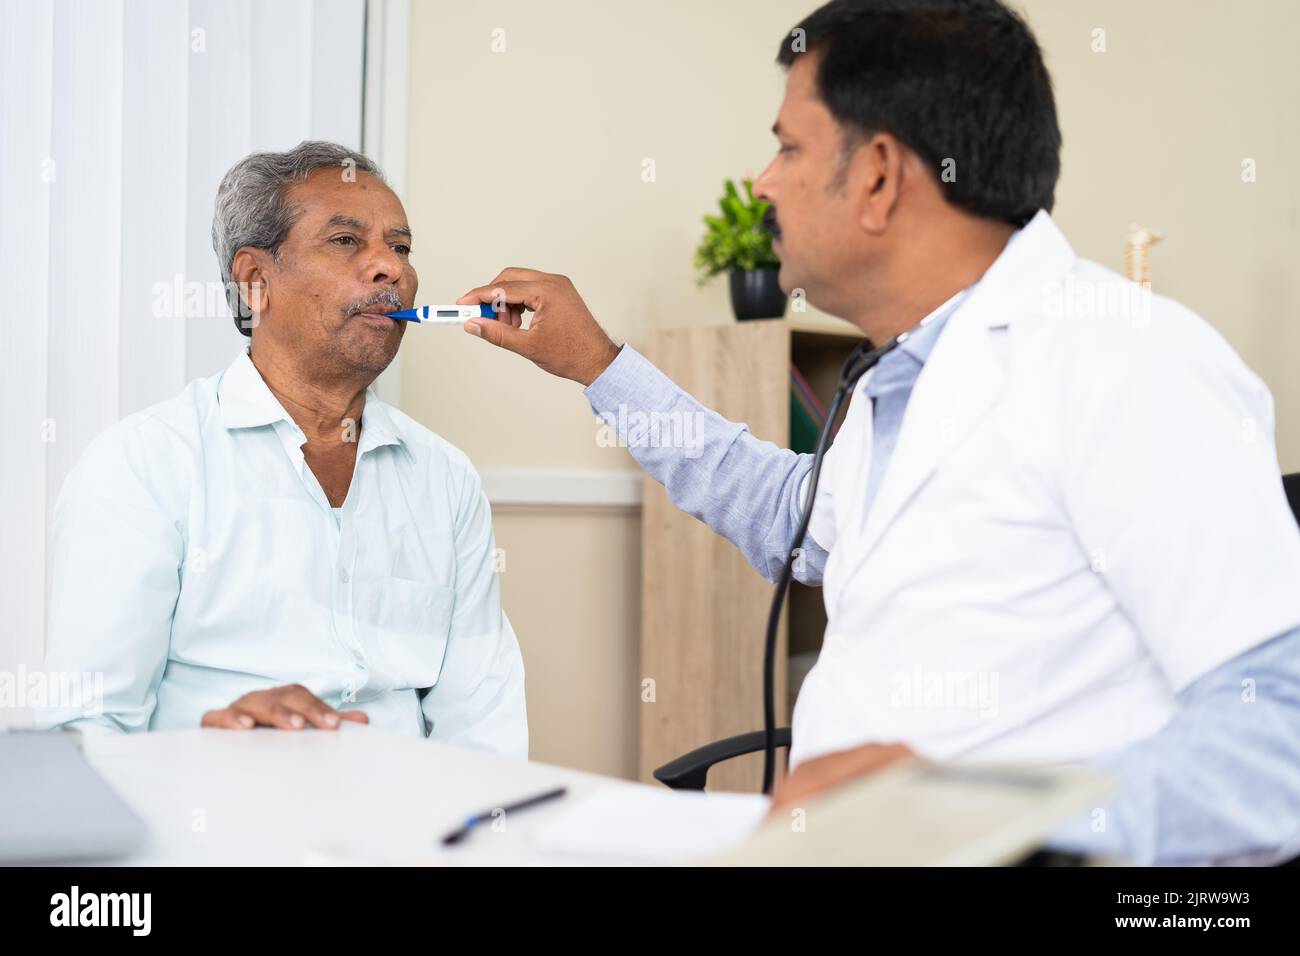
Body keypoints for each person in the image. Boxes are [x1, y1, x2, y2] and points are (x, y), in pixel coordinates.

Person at [454, 0, 1300, 863]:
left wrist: (990, 819)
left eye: (788, 147)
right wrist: (598, 365)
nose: (763, 182)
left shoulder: (1131, 362)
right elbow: (792, 516)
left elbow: (1279, 733)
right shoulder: (901, 374)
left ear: (880, 176)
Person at [38, 142, 526, 758]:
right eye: (346, 241)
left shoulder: (446, 478)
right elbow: (81, 733)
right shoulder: (144, 465)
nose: (389, 268)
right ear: (255, 280)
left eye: (399, 247)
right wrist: (208, 752)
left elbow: (483, 730)